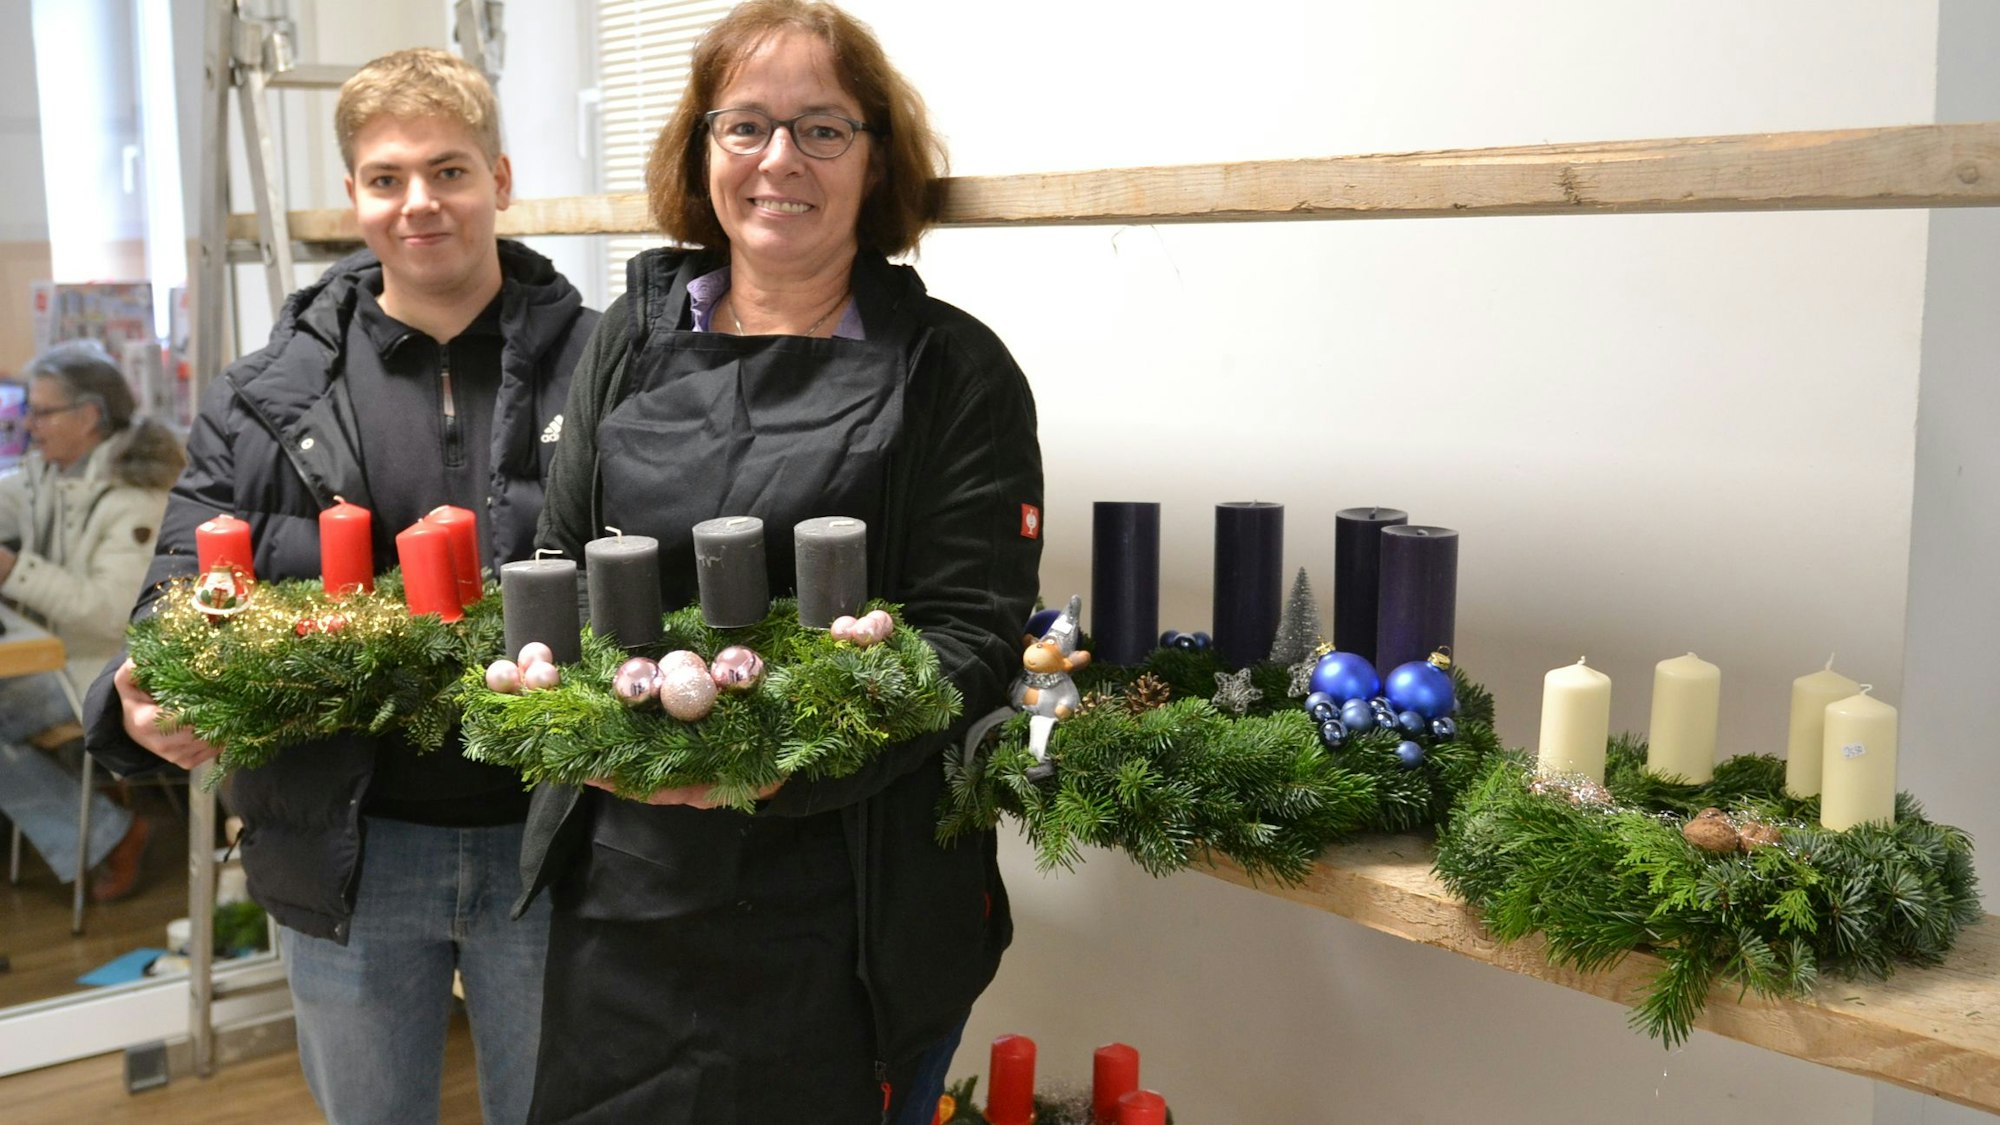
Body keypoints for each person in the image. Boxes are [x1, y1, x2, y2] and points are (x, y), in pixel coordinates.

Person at [519, 3, 1042, 1122]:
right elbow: (556, 566)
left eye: (821, 130)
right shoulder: (626, 338)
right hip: (628, 875)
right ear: (702, 147)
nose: (777, 161)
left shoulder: (955, 370)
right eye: (744, 125)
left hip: (855, 897)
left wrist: (778, 764)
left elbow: (971, 638)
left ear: (876, 158)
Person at [83, 48, 598, 1125]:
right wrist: (136, 698)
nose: (420, 203)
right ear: (353, 198)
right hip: (349, 847)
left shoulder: (606, 374)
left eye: (449, 171)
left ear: (500, 180)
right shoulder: (264, 396)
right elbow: (176, 589)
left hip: (558, 841)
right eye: (387, 177)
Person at [0, 341, 182, 903]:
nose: (29, 424)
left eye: (42, 411)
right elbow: (14, 497)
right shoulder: (62, 473)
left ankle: (111, 835)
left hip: (108, 667)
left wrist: (13, 569)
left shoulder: (134, 496)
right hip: (64, 657)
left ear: (89, 416)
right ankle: (104, 833)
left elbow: (109, 616)